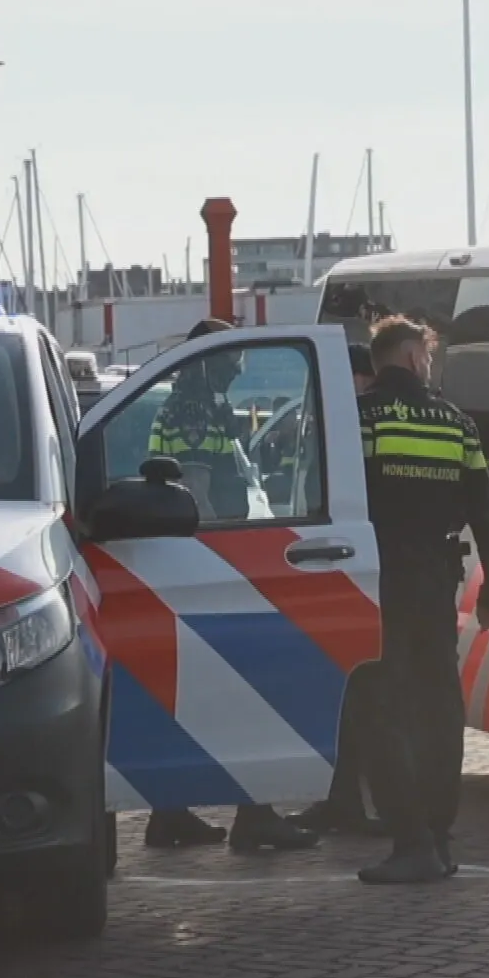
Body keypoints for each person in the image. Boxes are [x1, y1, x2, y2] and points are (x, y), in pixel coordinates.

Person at [142, 318, 320, 854]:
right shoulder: (194, 409)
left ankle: (170, 813)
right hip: (217, 561)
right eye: (231, 362)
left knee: (199, 693)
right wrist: (229, 557)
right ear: (210, 360)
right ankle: (254, 815)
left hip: (202, 560)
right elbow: (197, 490)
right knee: (249, 692)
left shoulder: (196, 403)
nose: (238, 372)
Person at [355, 315, 489, 885]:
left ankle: (410, 839)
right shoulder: (457, 424)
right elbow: (486, 518)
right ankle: (439, 836)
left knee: (381, 705)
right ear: (416, 358)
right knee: (440, 706)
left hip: (377, 580)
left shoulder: (362, 418)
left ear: (377, 362)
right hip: (436, 580)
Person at [290, 342, 389, 837]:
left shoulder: (346, 423)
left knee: (361, 697)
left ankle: (349, 800)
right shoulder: (337, 424)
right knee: (346, 697)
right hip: (338, 576)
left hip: (353, 577)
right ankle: (343, 799)